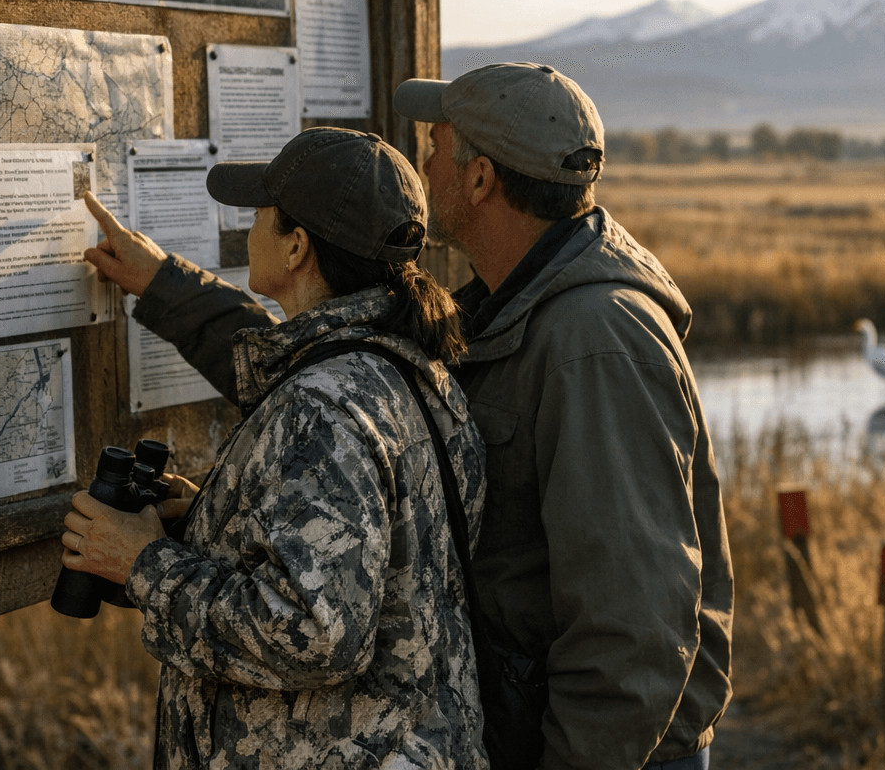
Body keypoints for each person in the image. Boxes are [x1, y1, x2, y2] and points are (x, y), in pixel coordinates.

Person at [59, 128, 489, 770]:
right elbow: (370, 558)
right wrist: (216, 519)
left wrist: (141, 564)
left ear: (296, 247)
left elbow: (315, 634)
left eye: (259, 216)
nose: (247, 228)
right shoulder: (408, 365)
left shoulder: (323, 407)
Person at [394, 62, 732, 770]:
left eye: (435, 143)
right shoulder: (514, 302)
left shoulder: (595, 341)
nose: (422, 163)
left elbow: (633, 627)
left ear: (480, 178)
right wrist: (170, 293)